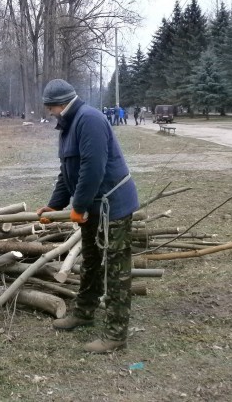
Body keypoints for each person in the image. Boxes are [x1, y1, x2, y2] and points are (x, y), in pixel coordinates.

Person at [36, 79, 138, 354]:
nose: (49, 113)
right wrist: (53, 206)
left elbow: (92, 169)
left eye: (49, 108)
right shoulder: (69, 125)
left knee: (116, 270)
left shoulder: (88, 120)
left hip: (112, 207)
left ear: (59, 104)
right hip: (93, 208)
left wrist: (77, 207)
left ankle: (116, 335)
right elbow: (67, 170)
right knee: (92, 260)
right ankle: (84, 312)